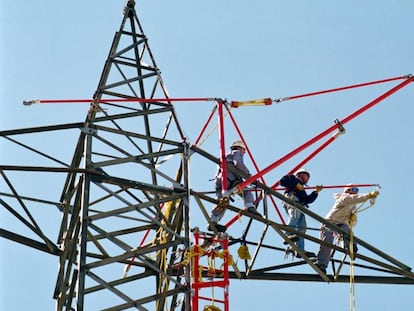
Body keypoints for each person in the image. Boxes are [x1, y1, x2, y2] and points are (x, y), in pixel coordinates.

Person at [315, 184, 379, 273]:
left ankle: (351, 247)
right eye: (354, 189)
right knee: (327, 242)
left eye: (357, 190)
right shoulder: (343, 198)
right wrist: (368, 195)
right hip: (329, 223)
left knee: (347, 229)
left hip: (341, 224)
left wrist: (353, 219)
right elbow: (354, 199)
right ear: (348, 190)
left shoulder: (353, 206)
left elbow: (353, 222)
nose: (356, 192)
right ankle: (321, 264)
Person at [209, 140, 259, 232]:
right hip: (230, 179)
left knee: (222, 202)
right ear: (240, 148)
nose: (244, 153)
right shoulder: (236, 152)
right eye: (244, 151)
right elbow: (238, 164)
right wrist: (248, 175)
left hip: (220, 181)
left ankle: (213, 221)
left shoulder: (224, 156)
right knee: (246, 191)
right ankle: (250, 206)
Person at [280, 168, 322, 257]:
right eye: (307, 176)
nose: (308, 178)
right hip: (292, 198)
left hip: (300, 204)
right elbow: (282, 181)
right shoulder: (292, 178)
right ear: (300, 174)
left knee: (302, 227)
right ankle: (288, 234)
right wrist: (296, 183)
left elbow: (306, 200)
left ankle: (300, 249)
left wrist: (315, 192)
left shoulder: (302, 189)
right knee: (294, 216)